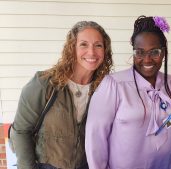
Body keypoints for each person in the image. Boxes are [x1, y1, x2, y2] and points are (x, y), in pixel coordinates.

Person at [10, 21, 113, 169]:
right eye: (83, 44)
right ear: (72, 48)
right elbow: (21, 131)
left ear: (105, 50)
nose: (91, 52)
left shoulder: (105, 87)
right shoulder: (44, 84)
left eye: (98, 45)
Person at [85, 15, 171, 169]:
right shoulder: (114, 85)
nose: (147, 59)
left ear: (163, 53)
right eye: (140, 52)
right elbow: (95, 137)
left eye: (154, 52)